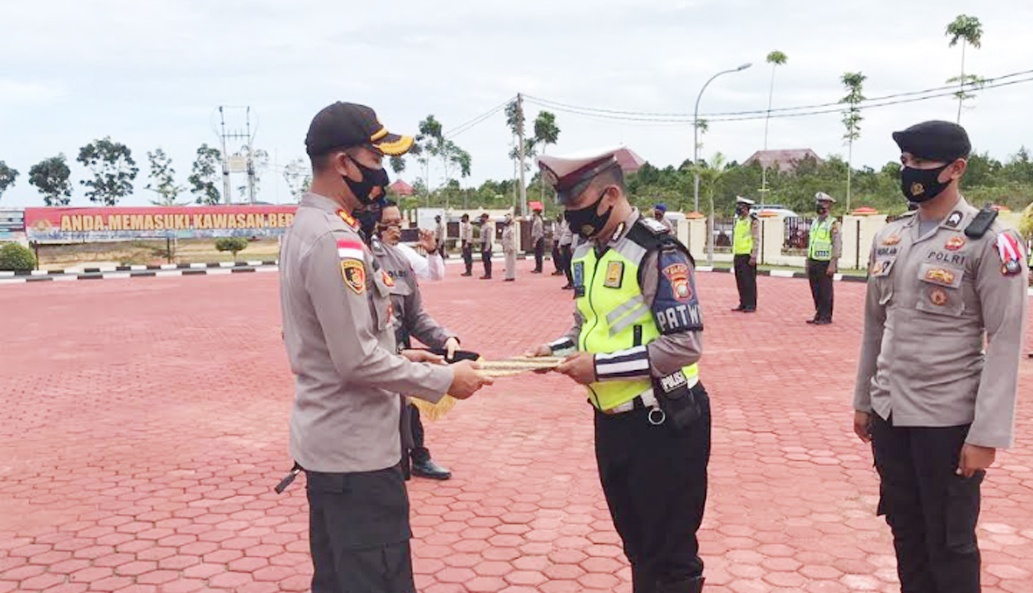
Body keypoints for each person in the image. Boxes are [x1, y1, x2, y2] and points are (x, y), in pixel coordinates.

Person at [278, 101, 493, 593]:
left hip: (331, 447)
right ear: (342, 164)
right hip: (358, 459)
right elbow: (355, 360)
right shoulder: (337, 240)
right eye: (375, 159)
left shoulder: (306, 228)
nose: (382, 173)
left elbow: (342, 345)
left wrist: (405, 356)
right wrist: (444, 380)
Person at [853, 120, 1028, 593]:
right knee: (906, 534)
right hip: (892, 413)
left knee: (949, 544)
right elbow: (875, 326)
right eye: (906, 163)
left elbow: (1006, 341)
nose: (910, 172)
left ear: (956, 169)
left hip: (948, 423)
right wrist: (865, 400)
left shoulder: (991, 241)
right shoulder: (889, 237)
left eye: (921, 163)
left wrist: (986, 435)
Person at [526, 147, 710, 593]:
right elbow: (587, 326)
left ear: (609, 195)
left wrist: (600, 368)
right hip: (612, 422)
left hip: (664, 420)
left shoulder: (658, 251)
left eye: (577, 204)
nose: (572, 216)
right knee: (639, 546)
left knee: (671, 556)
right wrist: (554, 351)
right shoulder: (587, 254)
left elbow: (684, 345)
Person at [372, 201, 459, 480]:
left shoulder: (401, 260)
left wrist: (444, 337)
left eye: (399, 223)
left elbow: (415, 315)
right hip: (369, 355)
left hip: (399, 347)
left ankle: (417, 456)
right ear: (374, 223)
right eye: (390, 223)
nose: (396, 229)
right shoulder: (354, 258)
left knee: (408, 406)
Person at [806, 192, 842, 325]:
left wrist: (833, 263)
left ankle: (826, 316)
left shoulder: (833, 223)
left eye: (823, 203)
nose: (820, 205)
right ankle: (818, 313)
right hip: (813, 260)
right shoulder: (815, 222)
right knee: (815, 289)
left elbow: (836, 244)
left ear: (829, 206)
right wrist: (807, 260)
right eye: (818, 203)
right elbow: (811, 242)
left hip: (825, 261)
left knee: (825, 290)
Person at [731, 196, 759, 312]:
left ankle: (751, 305)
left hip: (748, 254)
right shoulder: (738, 220)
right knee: (740, 281)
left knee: (749, 281)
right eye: (738, 206)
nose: (739, 209)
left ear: (747, 208)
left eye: (741, 207)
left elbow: (755, 238)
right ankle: (743, 303)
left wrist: (754, 255)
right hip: (738, 254)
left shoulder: (752, 221)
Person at [558, 216, 574, 289]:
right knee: (565, 265)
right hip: (564, 246)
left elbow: (575, 236)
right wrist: (559, 245)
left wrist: (573, 246)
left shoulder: (573, 225)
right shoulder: (565, 226)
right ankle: (569, 281)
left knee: (569, 265)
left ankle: (573, 282)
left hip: (569, 246)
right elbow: (562, 236)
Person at [478, 213, 495, 280]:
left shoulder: (488, 227)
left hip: (486, 244)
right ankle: (486, 273)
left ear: (486, 218)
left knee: (487, 260)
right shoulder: (482, 226)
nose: (481, 219)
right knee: (484, 260)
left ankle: (488, 274)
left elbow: (488, 238)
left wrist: (487, 247)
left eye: (483, 218)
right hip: (483, 244)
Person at [502, 213, 517, 282]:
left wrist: (511, 247)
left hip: (510, 247)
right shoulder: (506, 229)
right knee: (507, 263)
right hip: (506, 247)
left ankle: (511, 276)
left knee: (511, 263)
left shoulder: (511, 229)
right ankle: (508, 275)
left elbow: (511, 239)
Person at [531, 206, 546, 273]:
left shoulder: (538, 221)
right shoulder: (536, 220)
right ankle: (537, 267)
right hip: (537, 238)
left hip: (539, 238)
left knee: (538, 254)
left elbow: (539, 232)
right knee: (536, 254)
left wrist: (535, 241)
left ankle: (539, 268)